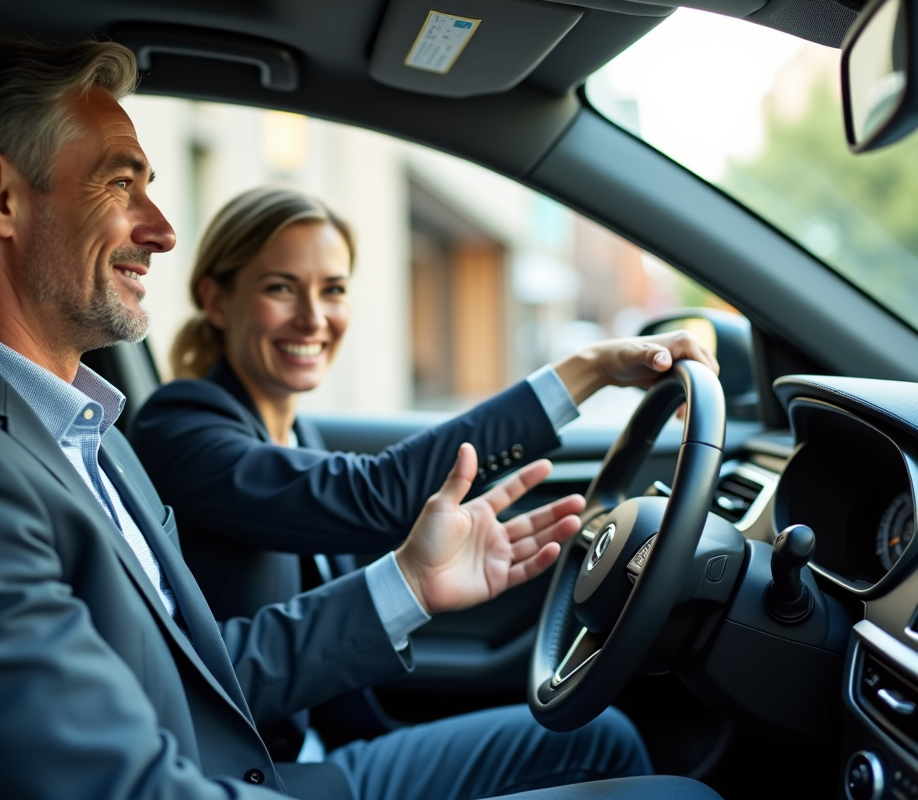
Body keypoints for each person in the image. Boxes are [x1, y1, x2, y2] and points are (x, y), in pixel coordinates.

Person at [0, 36, 668, 800]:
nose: (162, 230)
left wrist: (410, 584)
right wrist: (586, 373)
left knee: (609, 744)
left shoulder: (89, 438)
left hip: (258, 769)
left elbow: (205, 677)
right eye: (121, 183)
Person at [130, 186, 717, 622]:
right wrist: (588, 369)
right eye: (280, 288)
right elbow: (374, 495)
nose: (313, 317)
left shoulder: (298, 434)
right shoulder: (178, 426)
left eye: (333, 289)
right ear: (217, 301)